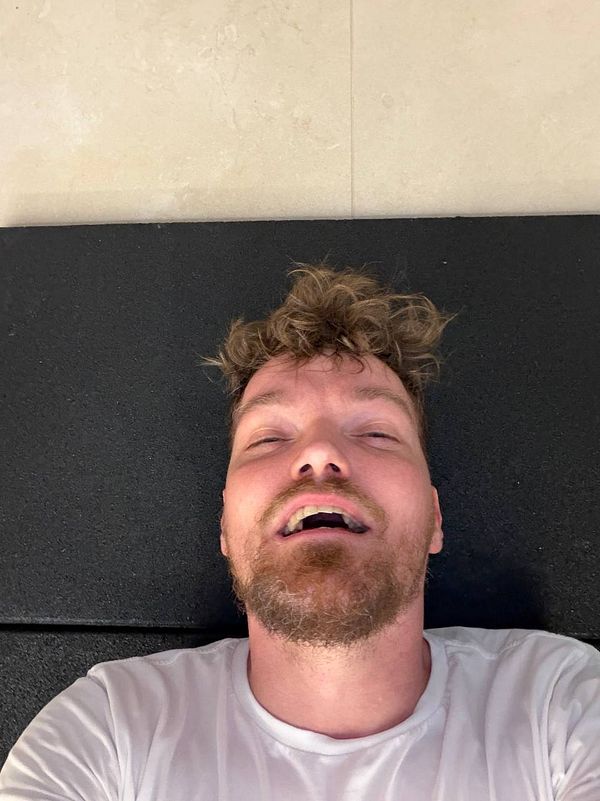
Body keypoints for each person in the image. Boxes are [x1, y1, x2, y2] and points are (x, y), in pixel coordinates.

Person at [1, 263, 598, 800]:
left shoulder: (560, 702)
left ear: (436, 517)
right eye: (269, 437)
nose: (319, 453)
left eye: (376, 432)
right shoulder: (109, 731)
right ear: (225, 527)